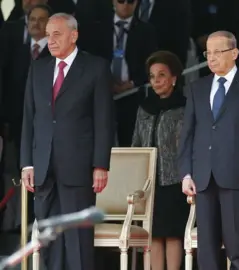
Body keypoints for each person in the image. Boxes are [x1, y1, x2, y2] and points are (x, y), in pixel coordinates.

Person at [20, 13, 114, 270]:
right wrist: (27, 163)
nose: (50, 40)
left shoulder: (95, 67)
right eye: (48, 35)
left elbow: (104, 120)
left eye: (57, 34)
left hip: (79, 166)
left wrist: (100, 165)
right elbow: (30, 118)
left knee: (78, 239)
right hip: (43, 167)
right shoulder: (38, 68)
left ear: (74, 35)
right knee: (49, 238)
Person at [178, 30, 239, 270]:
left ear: (234, 53)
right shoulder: (197, 88)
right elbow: (188, 134)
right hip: (203, 178)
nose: (211, 58)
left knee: (238, 247)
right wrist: (186, 173)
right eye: (207, 53)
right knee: (207, 251)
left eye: (217, 52)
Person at [131, 51, 188, 270]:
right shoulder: (145, 107)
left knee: (173, 234)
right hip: (148, 183)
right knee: (153, 235)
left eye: (162, 75)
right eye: (152, 76)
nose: (156, 81)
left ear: (174, 78)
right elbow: (136, 141)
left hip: (174, 181)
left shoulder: (184, 107)